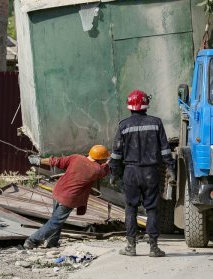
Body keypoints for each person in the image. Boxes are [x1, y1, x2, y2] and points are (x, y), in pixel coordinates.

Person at [110, 89, 176, 257]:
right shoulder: (156, 123)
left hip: (131, 172)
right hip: (151, 172)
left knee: (131, 208)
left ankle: (131, 247)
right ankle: (154, 248)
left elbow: (116, 153)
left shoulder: (123, 125)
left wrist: (114, 174)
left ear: (129, 106)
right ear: (147, 104)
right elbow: (165, 149)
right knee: (152, 209)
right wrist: (170, 169)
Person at [23, 145, 110, 249]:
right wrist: (110, 163)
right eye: (105, 158)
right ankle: (32, 240)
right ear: (101, 159)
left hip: (58, 191)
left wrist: (40, 161)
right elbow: (104, 171)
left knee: (56, 219)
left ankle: (53, 242)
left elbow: (57, 161)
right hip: (69, 199)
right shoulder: (97, 170)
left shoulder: (76, 158)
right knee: (55, 222)